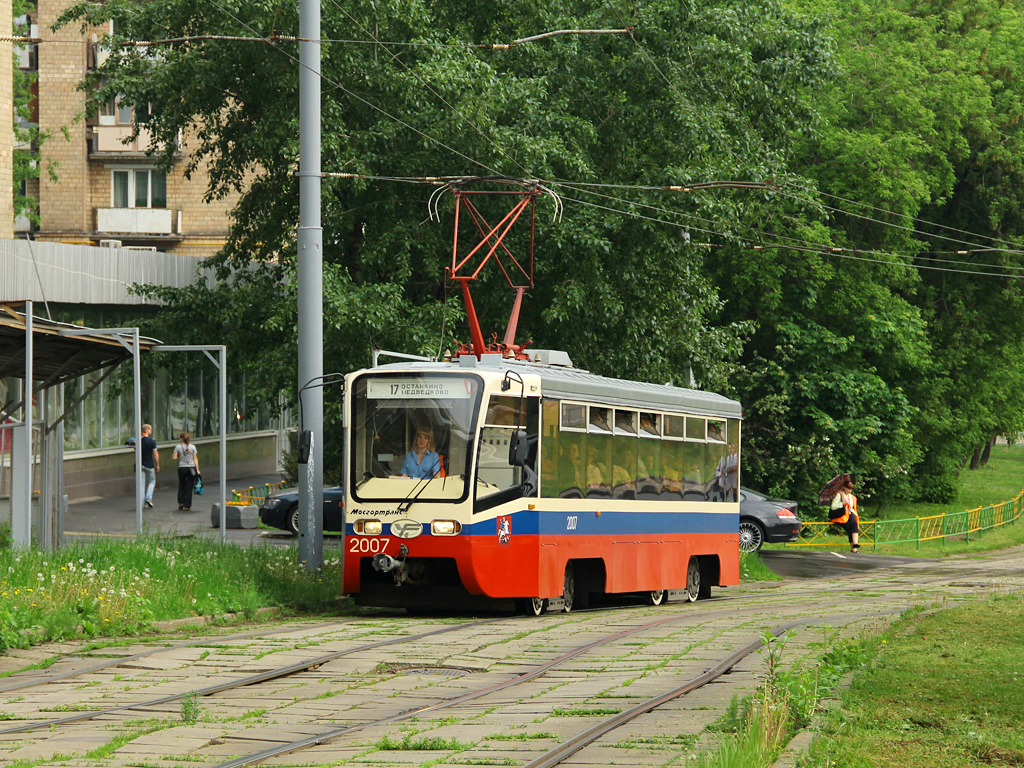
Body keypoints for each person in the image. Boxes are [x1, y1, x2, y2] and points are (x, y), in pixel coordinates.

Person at [830, 478, 860, 552]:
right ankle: (854, 548)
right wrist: (842, 503)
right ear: (844, 487)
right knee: (851, 528)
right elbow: (833, 507)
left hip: (849, 515)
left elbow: (852, 507)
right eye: (848, 489)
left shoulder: (851, 497)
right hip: (840, 516)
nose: (850, 491)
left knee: (854, 523)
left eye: (851, 489)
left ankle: (855, 545)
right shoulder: (839, 495)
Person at [172, 431, 200, 510]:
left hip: (182, 468)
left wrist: (178, 455)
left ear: (181, 439)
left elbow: (174, 458)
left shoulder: (178, 447)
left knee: (182, 485)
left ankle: (181, 502)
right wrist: (197, 469)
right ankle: (187, 505)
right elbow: (195, 459)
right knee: (189, 486)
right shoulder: (193, 447)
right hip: (191, 468)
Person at [140, 424, 160, 509]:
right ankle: (148, 498)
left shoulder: (139, 440)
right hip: (149, 465)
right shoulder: (152, 441)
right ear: (147, 430)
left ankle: (141, 504)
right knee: (152, 481)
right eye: (151, 430)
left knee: (141, 484)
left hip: (140, 465)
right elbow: (155, 454)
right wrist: (158, 464)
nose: (151, 431)